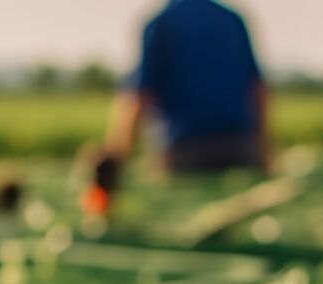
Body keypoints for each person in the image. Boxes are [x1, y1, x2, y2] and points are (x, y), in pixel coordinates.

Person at [99, 0, 270, 185]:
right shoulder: (232, 19)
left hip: (184, 154)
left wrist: (113, 161)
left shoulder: (161, 22)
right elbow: (257, 90)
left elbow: (139, 96)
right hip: (240, 149)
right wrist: (265, 156)